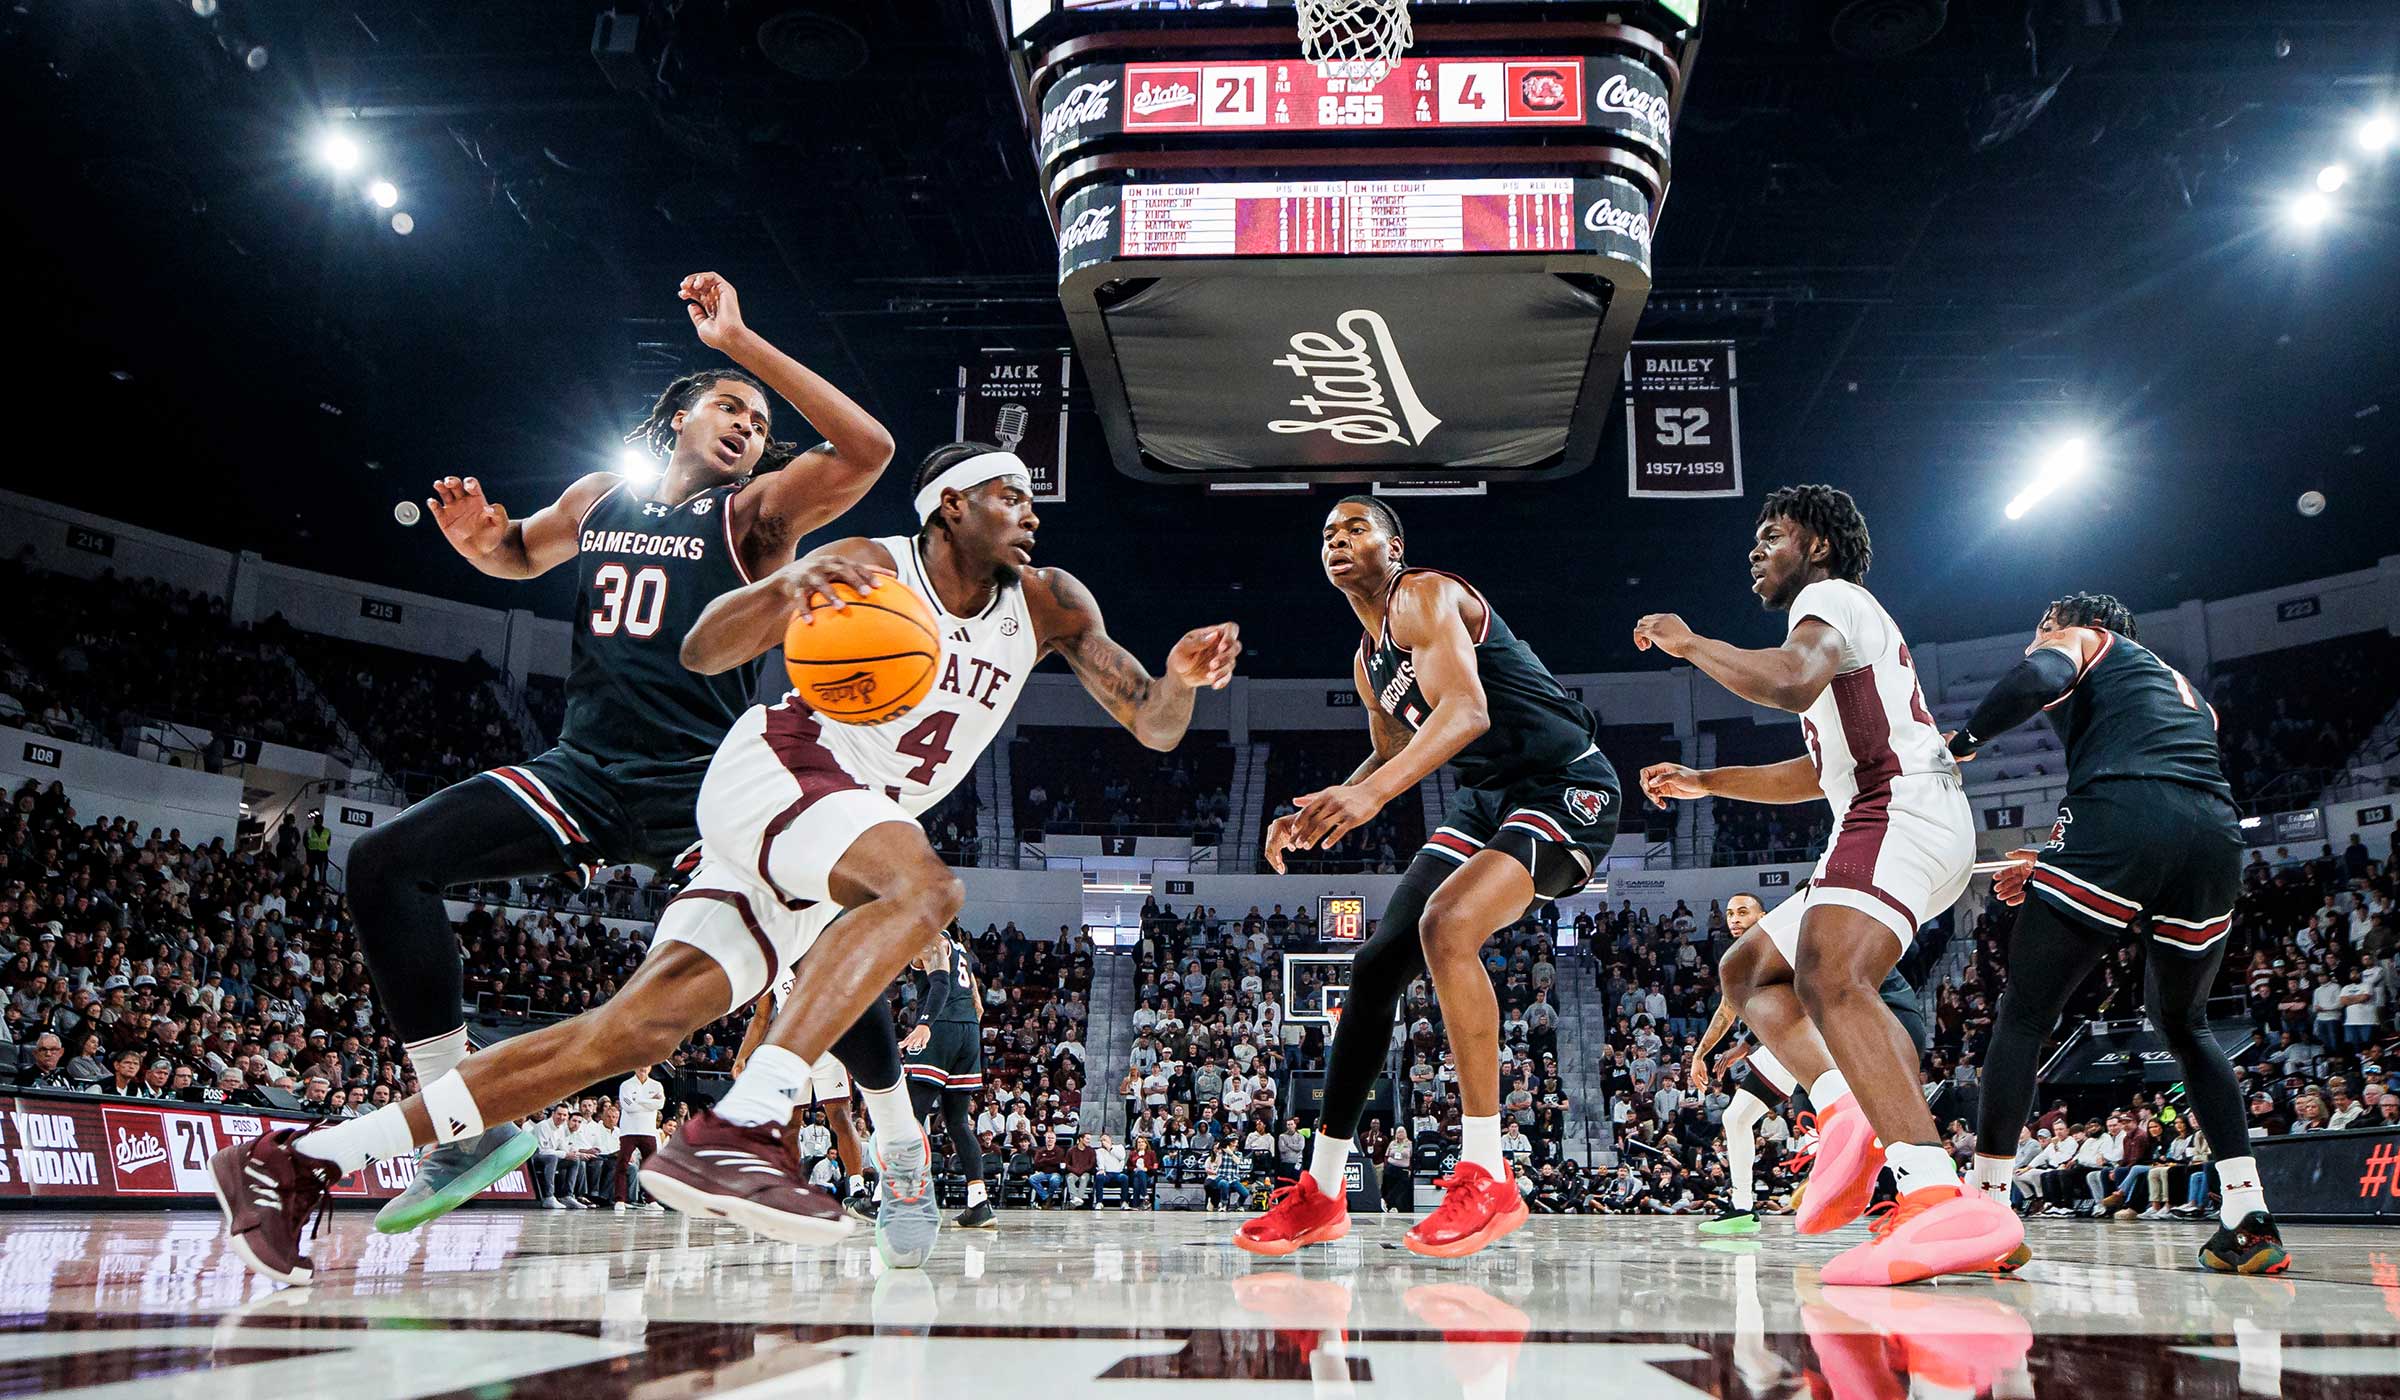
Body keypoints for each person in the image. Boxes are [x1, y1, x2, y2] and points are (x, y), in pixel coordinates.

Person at [207, 441, 1241, 1286]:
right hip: (785, 765)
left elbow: (1149, 719)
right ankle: (742, 1123)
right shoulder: (873, 565)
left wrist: (1185, 680)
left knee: (626, 1031)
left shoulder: (1051, 599)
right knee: (924, 888)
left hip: (840, 820)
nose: (1031, 513)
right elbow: (704, 650)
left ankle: (297, 1159)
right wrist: (793, 581)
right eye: (1008, 496)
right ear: (948, 510)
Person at [331, 270, 897, 1240]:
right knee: (383, 862)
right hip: (582, 770)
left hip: (706, 789)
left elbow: (868, 449)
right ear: (676, 418)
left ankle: (893, 1129)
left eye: (759, 423)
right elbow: (518, 551)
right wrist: (478, 542)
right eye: (730, 407)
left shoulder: (753, 518)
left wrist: (743, 347)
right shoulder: (600, 499)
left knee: (819, 941)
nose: (749, 427)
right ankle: (454, 1123)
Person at [1634, 484, 2016, 1286]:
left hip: (1898, 806)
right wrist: (1709, 782)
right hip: (1884, 811)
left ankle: (1936, 1195)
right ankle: (1845, 1108)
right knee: (1749, 972)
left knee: (1829, 972)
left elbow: (1786, 684)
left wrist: (1691, 642)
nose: (1754, 550)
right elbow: (1817, 770)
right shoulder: (1833, 631)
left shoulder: (1832, 598)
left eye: (1771, 535)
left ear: (1817, 547)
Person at [1237, 497, 1622, 1261]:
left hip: (1561, 784)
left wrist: (1370, 798)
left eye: (1355, 528)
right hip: (1487, 800)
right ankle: (1321, 1192)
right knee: (1376, 964)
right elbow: (1389, 753)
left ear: (1395, 544)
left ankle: (1488, 1174)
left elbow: (1467, 711)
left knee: (1447, 925)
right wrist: (1316, 807)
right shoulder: (1366, 654)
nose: (1337, 540)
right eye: (1326, 533)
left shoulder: (1424, 594)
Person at [1949, 591, 2287, 1275]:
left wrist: (1962, 745)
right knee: (2185, 1026)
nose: (2033, 644)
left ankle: (1985, 1212)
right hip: (2214, 839)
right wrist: (2052, 861)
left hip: (2124, 814)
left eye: (2039, 631)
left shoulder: (2087, 642)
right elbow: (2167, 794)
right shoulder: (2192, 696)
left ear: (2069, 627)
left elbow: (2045, 682)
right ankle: (2249, 1216)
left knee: (2023, 1015)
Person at [1684, 893, 1800, 1236]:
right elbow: (1726, 1010)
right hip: (1782, 1044)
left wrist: (1744, 1044)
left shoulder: (1778, 943)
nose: (1734, 918)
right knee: (1736, 1117)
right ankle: (1743, 1208)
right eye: (1731, 913)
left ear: (1762, 915)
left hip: (1807, 1040)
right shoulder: (1739, 956)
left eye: (1743, 912)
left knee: (1849, 1118)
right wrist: (1702, 1054)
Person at [734, 969, 874, 1221]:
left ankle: (856, 1189)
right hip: (792, 1049)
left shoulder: (820, 949)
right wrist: (742, 1056)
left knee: (840, 1117)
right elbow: (762, 1016)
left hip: (829, 1046)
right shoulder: (774, 965)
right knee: (790, 1123)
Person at [900, 926, 998, 1230]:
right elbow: (978, 1004)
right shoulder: (960, 949)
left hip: (939, 1026)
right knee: (957, 1123)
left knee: (911, 1117)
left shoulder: (929, 940)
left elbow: (940, 985)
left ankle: (895, 1198)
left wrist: (926, 1023)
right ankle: (978, 1203)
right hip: (968, 1030)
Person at [614, 1063, 666, 1212]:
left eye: (647, 1065)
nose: (643, 1068)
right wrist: (650, 1102)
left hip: (648, 1130)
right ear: (635, 1067)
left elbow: (660, 1104)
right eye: (640, 1065)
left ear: (650, 1068)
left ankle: (651, 1200)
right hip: (629, 1130)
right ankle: (620, 1200)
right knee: (622, 1165)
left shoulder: (656, 1085)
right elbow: (627, 1105)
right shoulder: (626, 1085)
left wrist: (639, 1101)